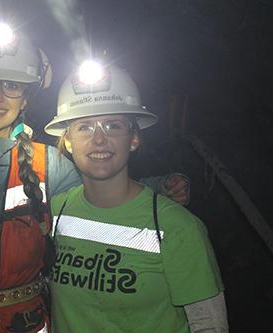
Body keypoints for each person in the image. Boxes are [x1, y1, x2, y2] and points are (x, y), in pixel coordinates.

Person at [0, 24, 190, 333]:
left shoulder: (51, 165)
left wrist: (158, 188)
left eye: (12, 85)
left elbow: (98, 204)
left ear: (26, 97)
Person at [44, 61, 228, 333]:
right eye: (84, 127)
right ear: (67, 140)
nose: (98, 140)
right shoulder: (56, 213)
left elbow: (209, 325)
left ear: (133, 139)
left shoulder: (177, 227)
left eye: (113, 125)